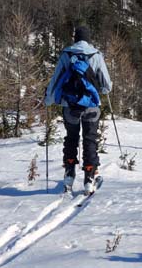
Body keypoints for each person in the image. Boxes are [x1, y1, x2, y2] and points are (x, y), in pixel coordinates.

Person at [45, 25, 112, 193]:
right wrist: (101, 90)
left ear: (75, 38)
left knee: (71, 138)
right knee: (90, 139)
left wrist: (49, 99)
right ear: (88, 39)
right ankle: (89, 177)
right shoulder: (96, 55)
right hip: (90, 106)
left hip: (70, 106)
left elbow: (56, 79)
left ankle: (69, 174)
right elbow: (106, 85)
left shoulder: (66, 55)